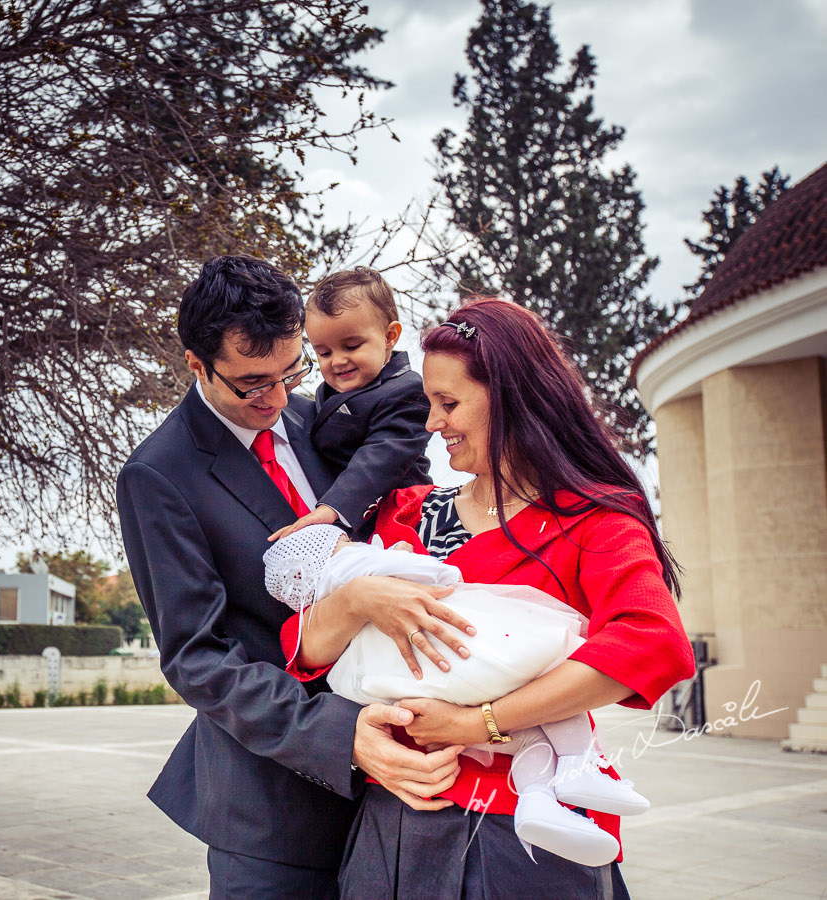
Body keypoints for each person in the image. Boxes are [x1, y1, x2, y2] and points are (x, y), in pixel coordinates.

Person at [280, 297, 696, 899]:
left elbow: (651, 642)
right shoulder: (408, 514)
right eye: (428, 403)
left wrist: (477, 722)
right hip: (393, 824)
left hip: (525, 837)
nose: (431, 423)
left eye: (449, 403)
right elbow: (308, 650)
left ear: (513, 398)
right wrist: (359, 599)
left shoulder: (595, 520)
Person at [116, 256, 475, 900]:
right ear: (198, 363)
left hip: (390, 795)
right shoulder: (158, 474)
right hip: (271, 814)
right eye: (253, 384)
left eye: (290, 372)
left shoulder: (319, 418)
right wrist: (342, 738)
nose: (278, 401)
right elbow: (198, 660)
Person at [264, 524, 651, 867]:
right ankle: (576, 765)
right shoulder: (360, 559)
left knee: (531, 730)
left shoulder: (321, 596)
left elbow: (300, 644)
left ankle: (539, 799)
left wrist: (473, 723)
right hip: (448, 654)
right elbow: (427, 575)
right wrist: (418, 564)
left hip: (395, 683)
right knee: (554, 666)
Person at [278, 267, 433, 538]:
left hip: (402, 518)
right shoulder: (326, 392)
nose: (337, 361)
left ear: (389, 336)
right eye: (324, 352)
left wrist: (334, 508)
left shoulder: (406, 391)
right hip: (354, 523)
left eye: (351, 346)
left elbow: (380, 458)